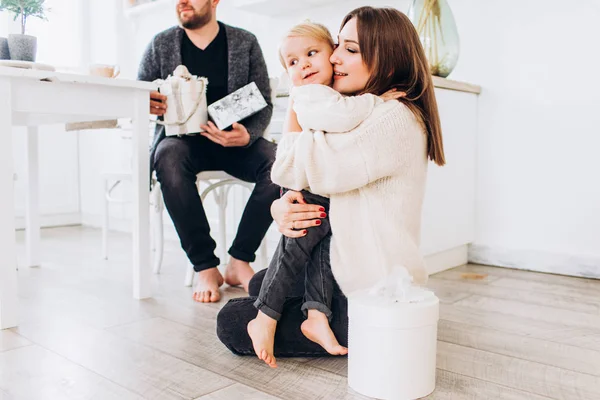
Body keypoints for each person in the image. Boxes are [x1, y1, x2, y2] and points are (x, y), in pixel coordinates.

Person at [217, 6, 445, 359]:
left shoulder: (388, 117)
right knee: (263, 281)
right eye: (338, 45)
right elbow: (309, 183)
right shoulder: (369, 108)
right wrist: (282, 206)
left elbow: (293, 167)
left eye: (350, 50)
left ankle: (339, 323)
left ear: (387, 60)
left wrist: (296, 99)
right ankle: (317, 315)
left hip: (371, 289)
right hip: (349, 266)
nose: (334, 57)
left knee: (231, 320)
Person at [247, 21, 404, 368]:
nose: (302, 64)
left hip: (325, 196)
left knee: (321, 247)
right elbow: (343, 117)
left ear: (330, 55)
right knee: (300, 243)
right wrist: (376, 101)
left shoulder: (327, 96)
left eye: (311, 53)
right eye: (292, 61)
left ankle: (314, 314)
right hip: (307, 188)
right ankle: (267, 316)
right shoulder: (314, 96)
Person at [137, 0, 280, 303]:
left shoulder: (245, 41)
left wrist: (248, 134)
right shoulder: (160, 44)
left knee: (281, 162)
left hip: (235, 143)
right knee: (168, 156)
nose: (182, 2)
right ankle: (205, 266)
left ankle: (239, 259)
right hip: (183, 144)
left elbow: (263, 99)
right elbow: (139, 92)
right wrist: (146, 103)